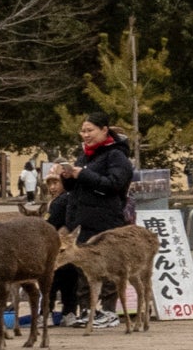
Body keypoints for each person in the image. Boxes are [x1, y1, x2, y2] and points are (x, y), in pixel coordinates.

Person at [52, 113, 135, 322]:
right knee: (83, 267)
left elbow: (115, 183)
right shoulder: (86, 155)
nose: (85, 135)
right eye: (83, 131)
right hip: (81, 220)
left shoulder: (116, 155)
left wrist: (84, 174)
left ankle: (108, 311)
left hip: (106, 220)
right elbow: (77, 186)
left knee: (108, 266)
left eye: (90, 130)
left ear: (104, 130)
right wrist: (68, 177)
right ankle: (87, 311)